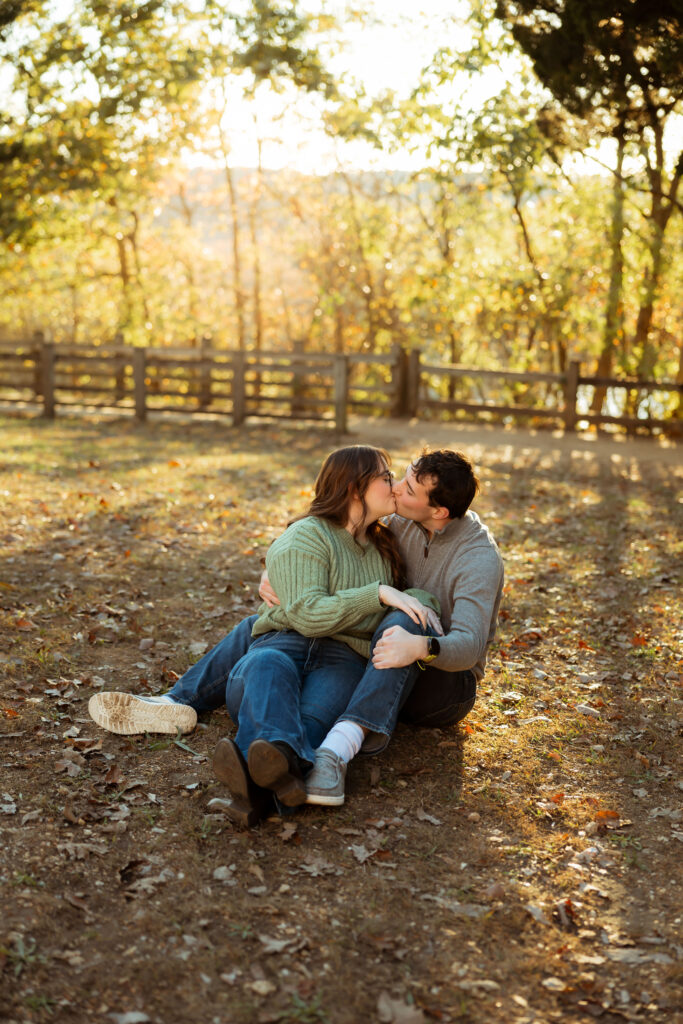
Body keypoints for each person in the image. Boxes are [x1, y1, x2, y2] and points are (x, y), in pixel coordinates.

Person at [90, 447, 503, 812]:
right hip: (298, 644)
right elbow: (309, 559)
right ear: (356, 489)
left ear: (438, 512)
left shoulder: (450, 553)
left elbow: (459, 640)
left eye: (406, 488)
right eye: (392, 477)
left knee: (396, 624)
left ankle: (268, 774)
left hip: (422, 673)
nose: (396, 488)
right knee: (266, 654)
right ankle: (197, 715)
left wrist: (417, 631)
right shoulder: (389, 525)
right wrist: (276, 572)